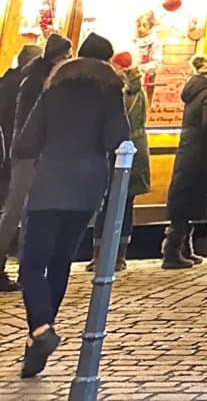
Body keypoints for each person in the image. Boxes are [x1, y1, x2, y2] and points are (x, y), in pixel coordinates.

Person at [12, 32, 128, 379]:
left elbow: (26, 141)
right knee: (61, 262)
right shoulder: (111, 92)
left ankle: (41, 330)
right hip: (87, 188)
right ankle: (37, 345)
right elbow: (116, 139)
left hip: (49, 184)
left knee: (32, 265)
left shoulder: (55, 88)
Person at [0, 36, 71, 292]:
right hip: (28, 154)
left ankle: (26, 269)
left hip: (19, 153)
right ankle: (22, 269)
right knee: (17, 211)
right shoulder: (36, 83)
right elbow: (30, 122)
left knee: (22, 211)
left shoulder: (22, 79)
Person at [164, 56, 207, 270]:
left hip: (189, 149)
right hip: (200, 152)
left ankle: (183, 247)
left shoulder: (194, 92)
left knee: (186, 197)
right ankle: (173, 250)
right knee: (190, 197)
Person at [88, 53, 149, 273]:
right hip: (133, 149)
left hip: (121, 150)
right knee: (122, 205)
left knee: (114, 203)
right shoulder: (136, 90)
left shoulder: (117, 90)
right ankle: (115, 256)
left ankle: (105, 256)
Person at [0, 47, 40, 293]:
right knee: (21, 213)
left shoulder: (5, 83)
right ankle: (26, 270)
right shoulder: (30, 85)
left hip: (6, 159)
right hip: (23, 158)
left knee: (10, 212)